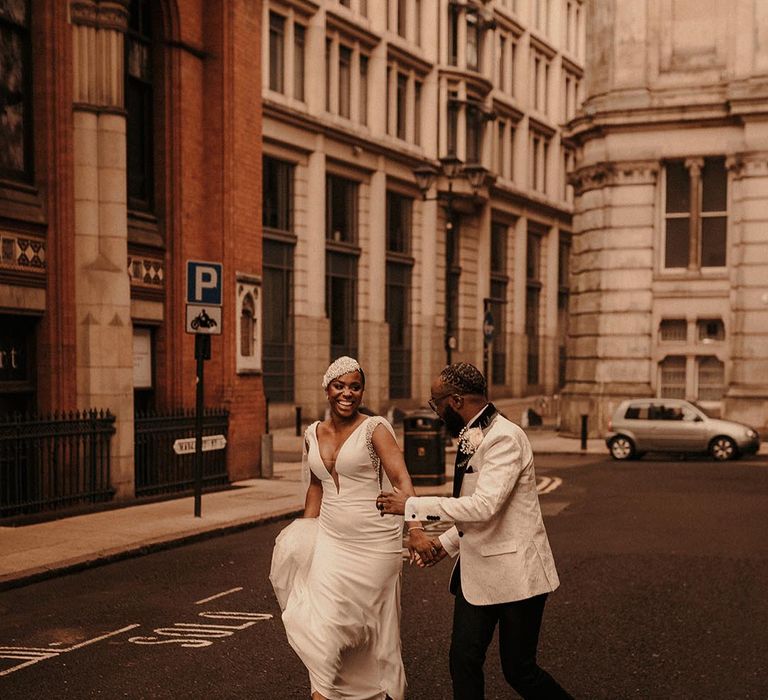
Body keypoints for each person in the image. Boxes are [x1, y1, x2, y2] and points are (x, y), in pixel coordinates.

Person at [377, 362, 572, 700]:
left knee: (520, 670)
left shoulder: (505, 438)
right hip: (477, 574)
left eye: (435, 403)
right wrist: (445, 544)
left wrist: (412, 505)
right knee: (463, 660)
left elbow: (485, 507)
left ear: (455, 401)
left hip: (518, 576)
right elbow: (476, 512)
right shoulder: (473, 433)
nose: (435, 412)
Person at [271, 356, 437, 700]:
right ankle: (326, 692)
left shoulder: (375, 428)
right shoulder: (311, 434)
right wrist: (304, 536)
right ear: (327, 388)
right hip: (331, 542)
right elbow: (316, 487)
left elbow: (402, 479)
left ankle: (379, 692)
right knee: (324, 627)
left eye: (355, 386)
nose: (348, 393)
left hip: (375, 546)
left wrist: (415, 528)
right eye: (340, 386)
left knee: (372, 634)